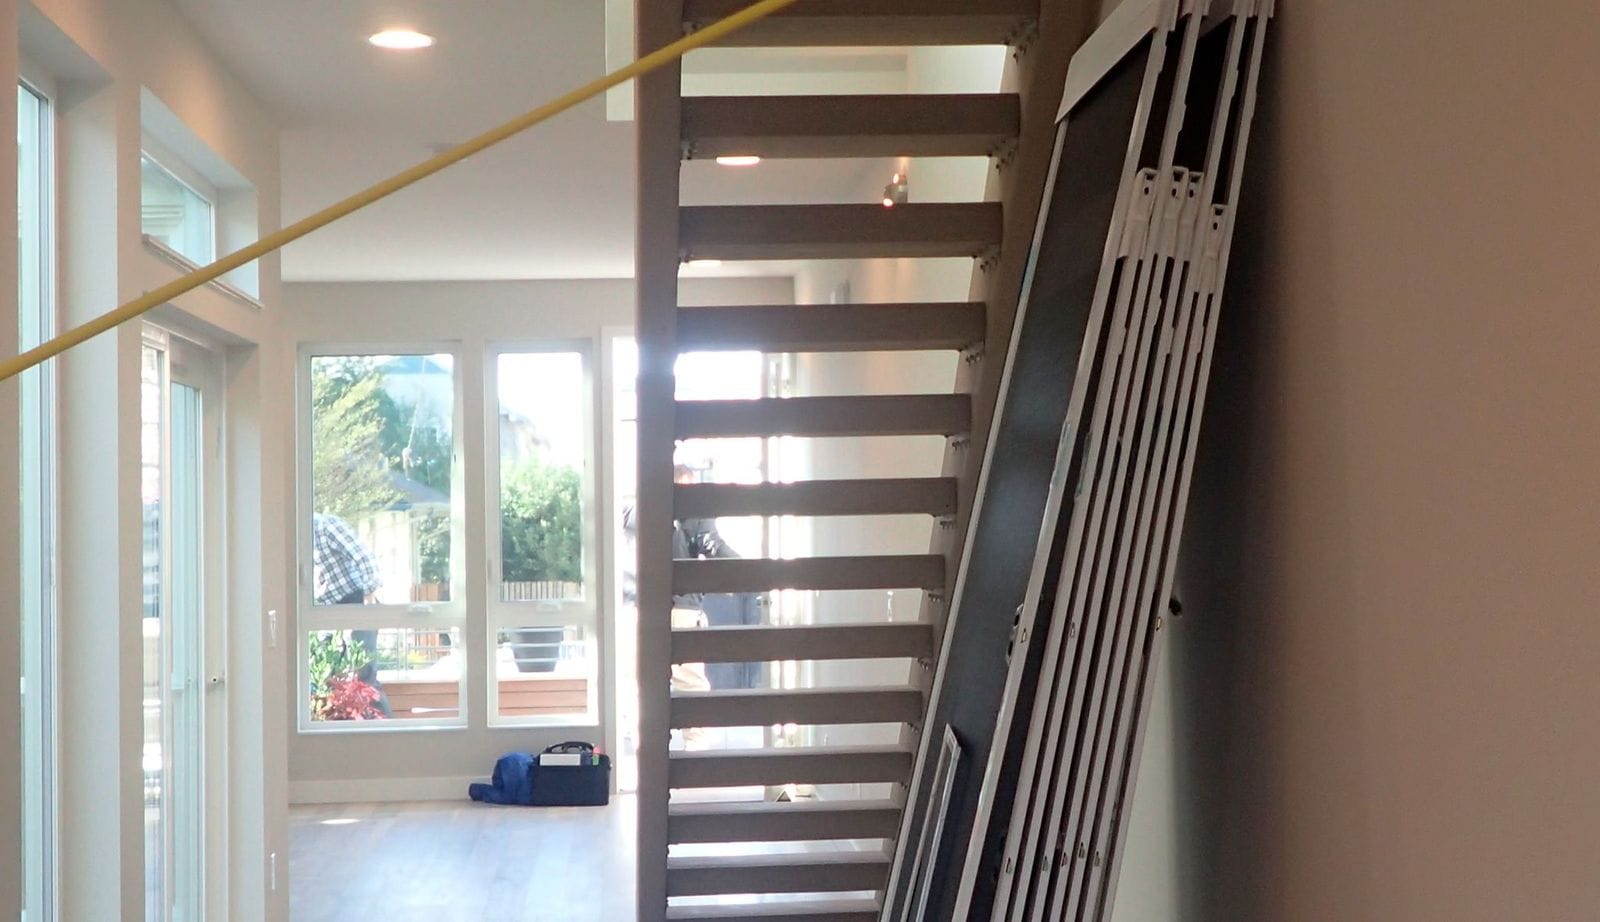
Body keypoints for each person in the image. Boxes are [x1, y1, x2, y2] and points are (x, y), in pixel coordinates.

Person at [622, 464, 741, 748]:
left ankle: (646, 747)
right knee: (691, 683)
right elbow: (714, 547)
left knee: (640, 682)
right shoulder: (690, 512)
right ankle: (695, 747)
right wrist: (749, 573)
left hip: (636, 610)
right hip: (682, 609)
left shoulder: (631, 514)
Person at [311, 512, 391, 717]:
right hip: (327, 609)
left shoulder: (326, 527)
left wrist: (368, 603)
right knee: (327, 676)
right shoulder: (295, 537)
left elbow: (364, 557)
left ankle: (388, 734)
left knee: (364, 678)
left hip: (356, 601)